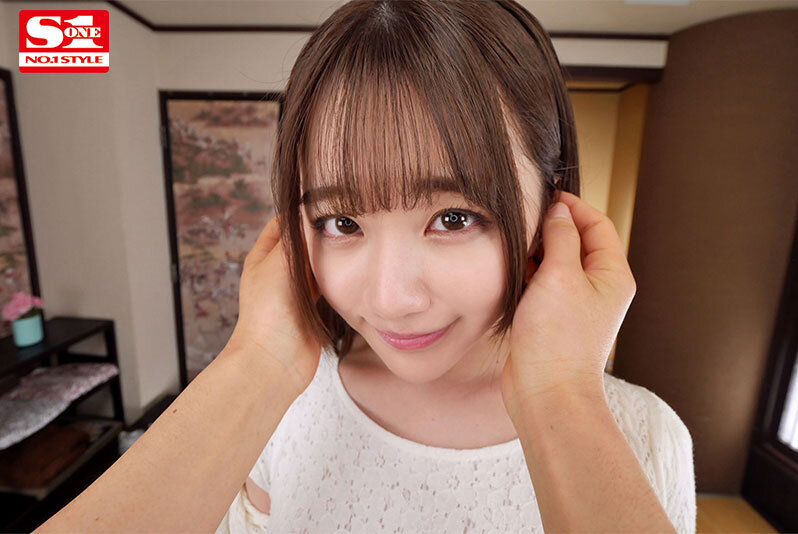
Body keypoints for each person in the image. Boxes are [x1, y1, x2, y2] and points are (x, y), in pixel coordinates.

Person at [36, 0, 696, 533]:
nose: (389, 300)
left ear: (551, 215)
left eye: (454, 218)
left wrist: (559, 399)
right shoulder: (269, 414)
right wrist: (258, 365)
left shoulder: (645, 439)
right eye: (343, 223)